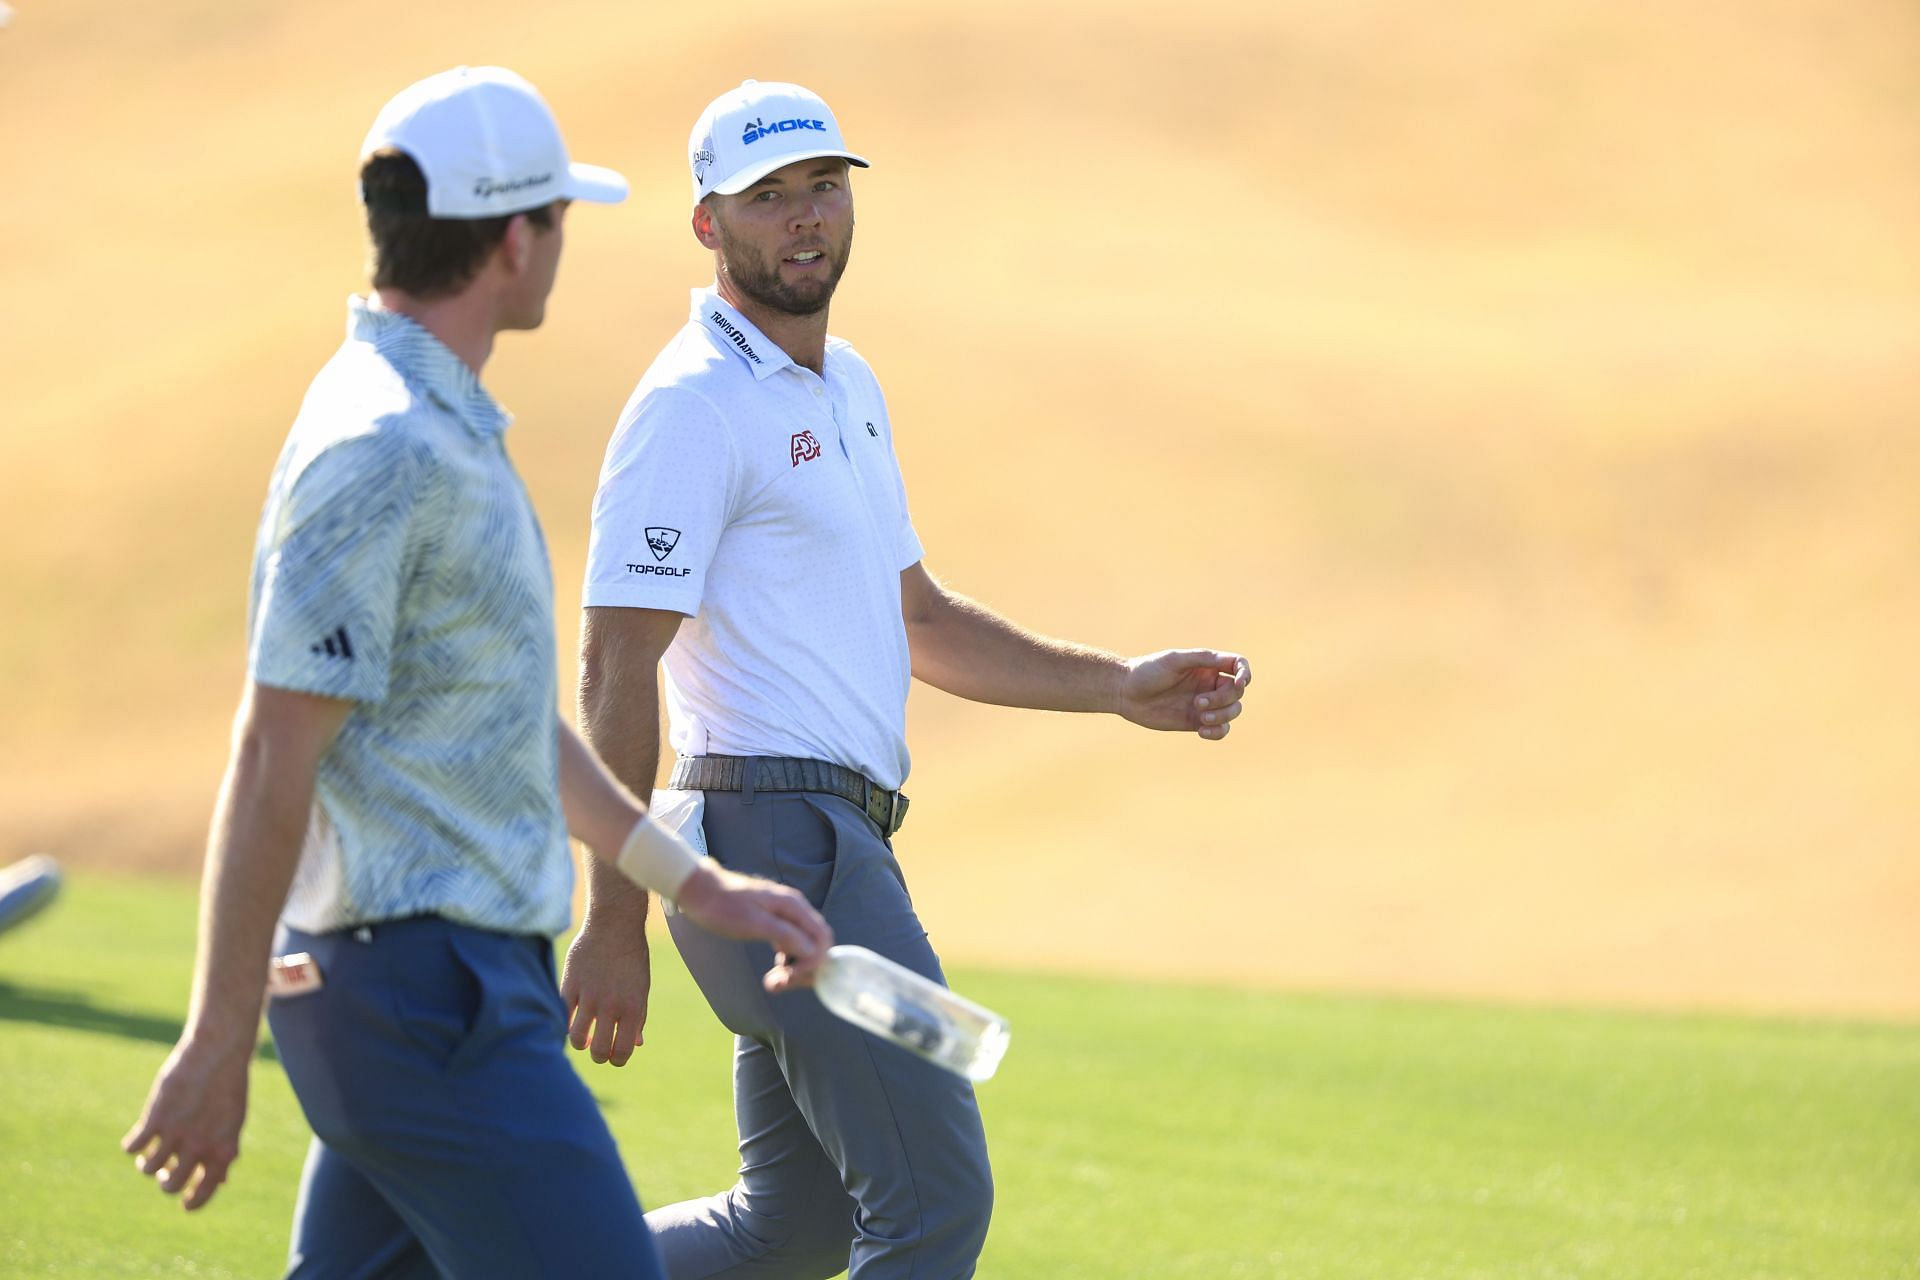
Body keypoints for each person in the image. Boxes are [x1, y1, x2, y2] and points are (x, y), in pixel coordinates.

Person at [119, 66, 833, 1279]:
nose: (559, 246)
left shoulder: (431, 425)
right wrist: (212, 1034)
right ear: (513, 240)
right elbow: (272, 745)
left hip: (429, 999)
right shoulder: (385, 445)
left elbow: (512, 720)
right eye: (556, 219)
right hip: (429, 1001)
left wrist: (691, 883)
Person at [566, 79, 1253, 1278]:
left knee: (795, 1226)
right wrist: (611, 914)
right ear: (707, 224)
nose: (804, 217)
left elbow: (920, 617)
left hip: (832, 849)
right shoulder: (693, 403)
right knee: (934, 1204)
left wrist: (1117, 685)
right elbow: (616, 656)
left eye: (824, 186)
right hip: (777, 846)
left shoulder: (850, 390)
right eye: (767, 196)